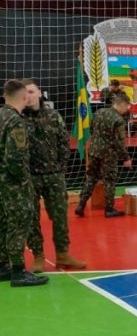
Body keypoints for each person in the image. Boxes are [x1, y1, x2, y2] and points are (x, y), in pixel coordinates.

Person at [22, 79, 85, 272]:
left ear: (39, 93)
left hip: (54, 175)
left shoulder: (53, 116)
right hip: (30, 177)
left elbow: (63, 143)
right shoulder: (18, 119)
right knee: (31, 218)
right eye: (25, 93)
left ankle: (63, 255)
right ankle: (38, 256)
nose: (29, 96)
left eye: (31, 91)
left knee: (60, 216)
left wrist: (60, 168)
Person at [0, 80, 48, 287]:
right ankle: (18, 271)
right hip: (13, 184)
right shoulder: (15, 121)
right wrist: (24, 180)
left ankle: (3, 266)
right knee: (18, 223)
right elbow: (15, 157)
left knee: (3, 222)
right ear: (24, 97)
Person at [75, 92, 132, 218]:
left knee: (91, 178)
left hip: (94, 151)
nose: (127, 109)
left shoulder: (99, 112)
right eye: (127, 106)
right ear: (122, 104)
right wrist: (126, 158)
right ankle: (109, 209)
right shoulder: (118, 120)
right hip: (108, 154)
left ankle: (81, 205)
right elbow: (118, 141)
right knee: (109, 181)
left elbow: (91, 129)